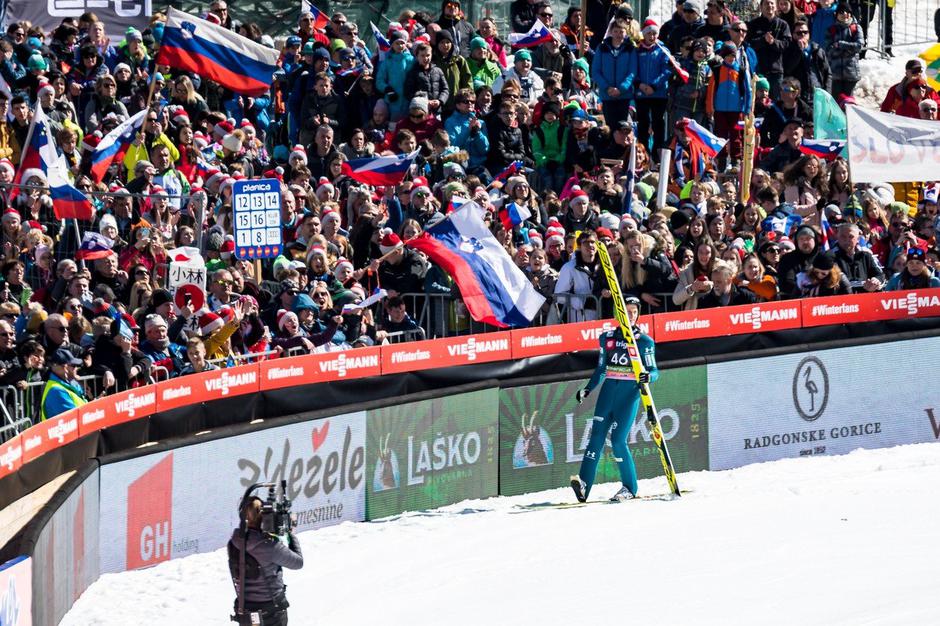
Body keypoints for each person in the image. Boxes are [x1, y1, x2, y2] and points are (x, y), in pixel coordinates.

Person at [571, 295, 657, 503]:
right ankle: (583, 484)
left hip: (628, 395)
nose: (631, 315)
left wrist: (648, 376)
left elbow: (654, 371)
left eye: (634, 312)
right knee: (597, 436)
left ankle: (629, 487)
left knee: (618, 440)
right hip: (608, 391)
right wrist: (588, 389)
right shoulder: (607, 338)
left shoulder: (644, 342)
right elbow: (601, 368)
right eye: (626, 311)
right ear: (618, 313)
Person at [228, 495, 303, 626]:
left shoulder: (233, 543)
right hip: (271, 613)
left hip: (247, 613)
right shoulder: (270, 547)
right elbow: (298, 562)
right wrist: (291, 534)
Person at [40, 347, 88, 421]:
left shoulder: (70, 384)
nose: (77, 368)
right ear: (65, 368)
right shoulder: (56, 391)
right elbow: (74, 419)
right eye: (74, 366)